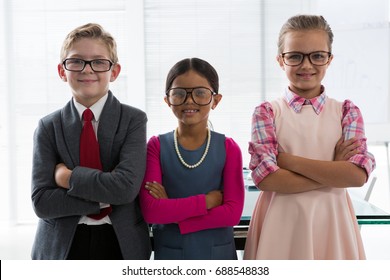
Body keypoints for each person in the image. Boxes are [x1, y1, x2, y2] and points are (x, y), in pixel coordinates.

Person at [244, 15, 376, 260]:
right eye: (295, 56)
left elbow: (357, 176)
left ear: (329, 59)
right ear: (280, 61)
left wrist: (287, 161)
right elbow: (266, 179)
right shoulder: (267, 112)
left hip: (332, 222)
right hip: (280, 224)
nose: (306, 65)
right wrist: (335, 171)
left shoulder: (347, 111)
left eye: (317, 55)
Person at [31, 23, 151, 260]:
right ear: (62, 71)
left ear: (114, 71)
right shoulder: (48, 126)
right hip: (62, 245)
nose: (87, 70)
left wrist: (67, 178)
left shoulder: (133, 120)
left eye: (98, 62)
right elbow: (42, 202)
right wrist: (104, 198)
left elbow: (126, 188)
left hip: (120, 244)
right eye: (76, 61)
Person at [139, 58, 245, 260]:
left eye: (200, 93)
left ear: (216, 100)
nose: (189, 100)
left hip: (218, 254)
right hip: (172, 254)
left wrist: (175, 214)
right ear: (167, 100)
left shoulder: (229, 148)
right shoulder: (155, 146)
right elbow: (152, 212)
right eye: (179, 93)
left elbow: (232, 213)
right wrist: (208, 201)